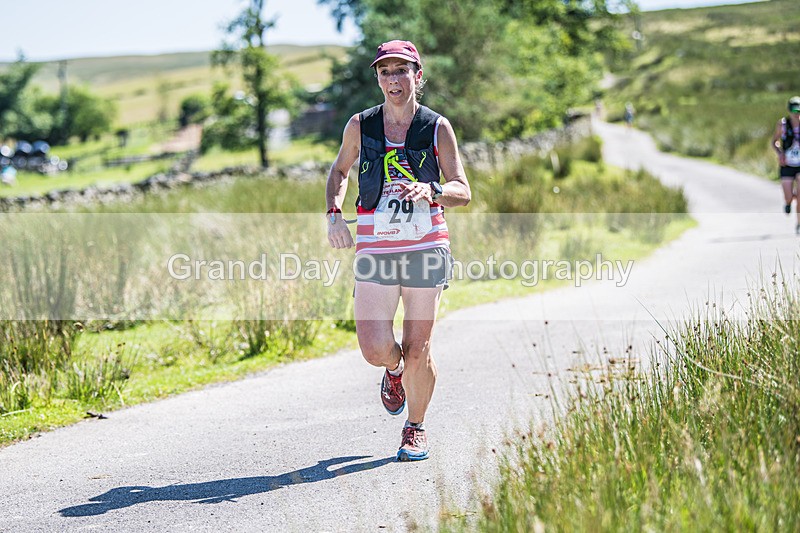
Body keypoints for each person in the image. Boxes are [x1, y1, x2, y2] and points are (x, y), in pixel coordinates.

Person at [325, 40, 471, 461]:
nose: (393, 79)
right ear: (378, 79)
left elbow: (463, 190)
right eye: (385, 72)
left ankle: (415, 428)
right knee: (374, 346)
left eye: (401, 70)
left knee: (418, 345)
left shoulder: (437, 127)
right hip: (376, 247)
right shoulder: (361, 125)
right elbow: (339, 170)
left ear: (417, 76)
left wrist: (433, 189)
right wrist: (334, 211)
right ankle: (394, 372)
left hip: (426, 244)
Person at [772, 96, 800, 234]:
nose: (797, 113)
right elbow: (774, 141)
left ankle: (799, 223)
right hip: (787, 164)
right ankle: (789, 202)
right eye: (794, 110)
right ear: (789, 110)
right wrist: (780, 154)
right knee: (789, 196)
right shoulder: (782, 124)